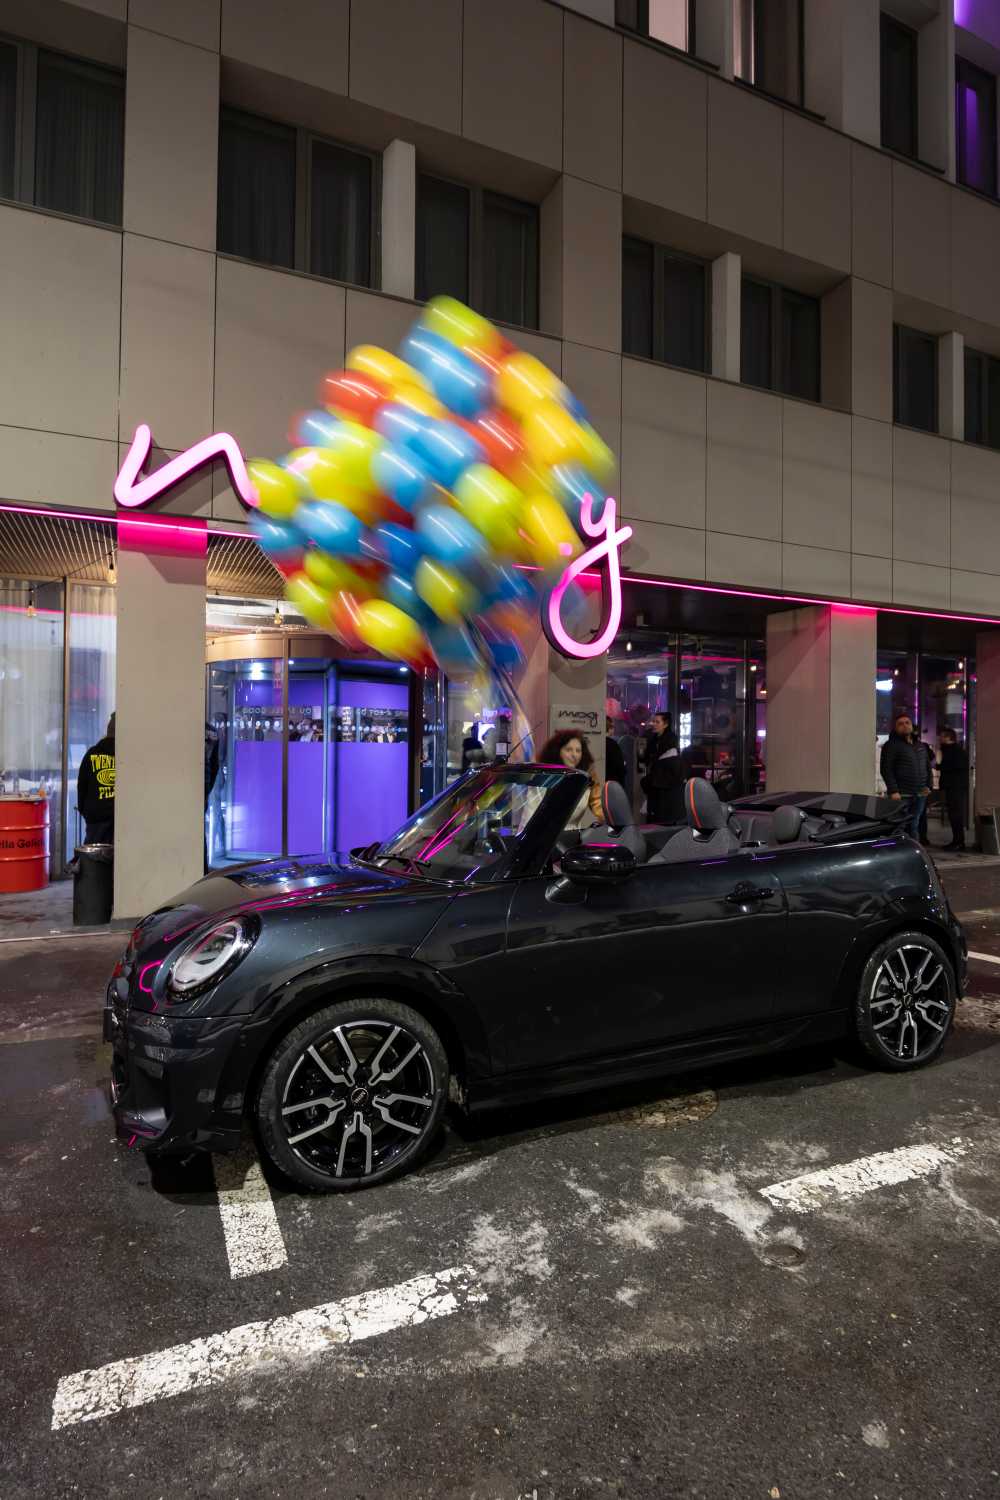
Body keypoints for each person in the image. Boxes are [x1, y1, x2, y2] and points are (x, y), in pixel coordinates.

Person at [879, 712, 930, 841]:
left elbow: (927, 767)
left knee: (914, 825)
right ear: (895, 728)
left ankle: (914, 851)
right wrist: (893, 790)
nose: (905, 725)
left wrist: (929, 786)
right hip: (902, 794)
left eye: (907, 723)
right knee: (899, 826)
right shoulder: (891, 745)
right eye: (900, 724)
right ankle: (899, 850)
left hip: (920, 793)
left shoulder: (920, 745)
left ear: (912, 726)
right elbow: (886, 769)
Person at [538, 730, 603, 829]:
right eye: (568, 750)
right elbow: (530, 815)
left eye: (578, 751)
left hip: (574, 836)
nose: (574, 755)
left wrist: (609, 821)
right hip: (544, 835)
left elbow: (598, 805)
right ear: (557, 751)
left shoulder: (587, 777)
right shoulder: (544, 777)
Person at [77, 712, 116, 843]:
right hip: (118, 817)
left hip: (95, 819)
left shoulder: (92, 753)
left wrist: (86, 811)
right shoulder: (128, 755)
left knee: (94, 853)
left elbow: (81, 787)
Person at [642, 711, 684, 824]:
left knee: (662, 814)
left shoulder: (670, 739)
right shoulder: (653, 738)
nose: (653, 724)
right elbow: (646, 757)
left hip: (666, 784)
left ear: (665, 724)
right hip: (656, 782)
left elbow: (663, 762)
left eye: (657, 722)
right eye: (653, 721)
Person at [938, 727, 969, 852]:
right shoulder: (953, 750)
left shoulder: (954, 751)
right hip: (954, 786)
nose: (939, 738)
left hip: (955, 787)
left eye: (941, 736)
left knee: (955, 815)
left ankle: (959, 842)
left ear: (948, 737)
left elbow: (949, 767)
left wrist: (939, 765)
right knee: (954, 814)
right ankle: (957, 841)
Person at [912, 727, 936, 845]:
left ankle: (919, 839)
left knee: (917, 815)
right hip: (920, 785)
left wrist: (929, 785)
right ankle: (922, 839)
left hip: (920, 786)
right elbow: (930, 762)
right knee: (920, 815)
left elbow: (928, 764)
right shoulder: (923, 746)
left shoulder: (922, 747)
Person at [605, 716, 626, 789]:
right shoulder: (612, 744)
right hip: (611, 784)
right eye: (613, 726)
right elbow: (620, 768)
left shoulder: (596, 742)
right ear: (610, 728)